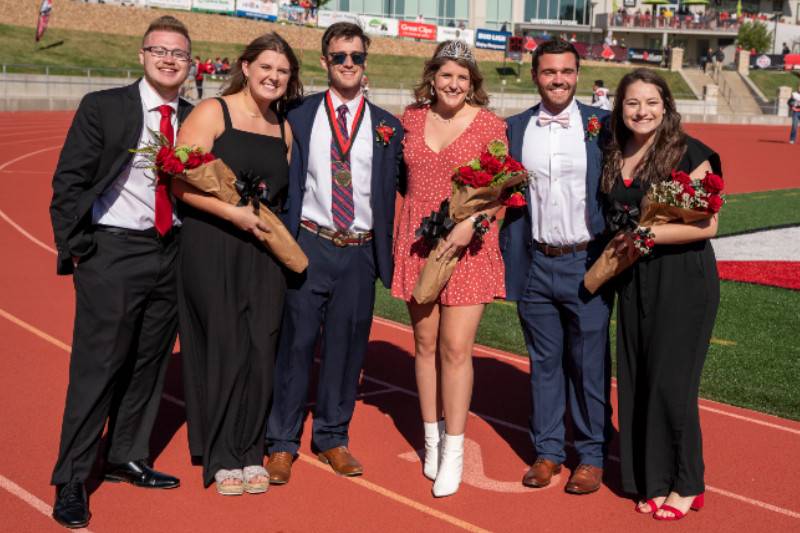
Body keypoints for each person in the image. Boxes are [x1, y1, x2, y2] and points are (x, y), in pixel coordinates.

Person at [49, 15, 192, 528]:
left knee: (149, 363)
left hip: (171, 252)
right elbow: (68, 182)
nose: (169, 59)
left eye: (179, 53)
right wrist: (81, 249)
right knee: (98, 367)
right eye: (160, 50)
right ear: (142, 55)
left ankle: (126, 455)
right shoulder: (104, 107)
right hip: (113, 252)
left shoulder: (195, 118)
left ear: (190, 62)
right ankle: (72, 477)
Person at [265, 22, 404, 485]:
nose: (348, 64)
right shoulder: (298, 115)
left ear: (366, 64)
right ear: (325, 61)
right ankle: (281, 442)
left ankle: (331, 437)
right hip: (309, 244)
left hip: (360, 252)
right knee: (296, 347)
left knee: (346, 351)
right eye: (340, 56)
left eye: (356, 57)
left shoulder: (389, 126)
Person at [171, 32, 301, 496]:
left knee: (259, 346)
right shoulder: (214, 111)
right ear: (245, 67)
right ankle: (222, 454)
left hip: (263, 249)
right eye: (266, 66)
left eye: (283, 71)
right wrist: (232, 213)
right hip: (214, 243)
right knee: (224, 343)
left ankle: (249, 450)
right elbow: (179, 182)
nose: (274, 76)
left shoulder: (283, 128)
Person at [601, 68, 721, 521]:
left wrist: (648, 237)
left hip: (683, 279)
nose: (642, 111)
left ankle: (687, 483)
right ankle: (651, 480)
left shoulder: (689, 152)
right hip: (633, 280)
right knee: (638, 380)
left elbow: (708, 224)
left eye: (651, 102)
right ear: (621, 108)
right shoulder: (616, 152)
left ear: (666, 107)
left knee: (673, 385)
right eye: (633, 103)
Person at [391, 40, 506, 498]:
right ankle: (431, 439)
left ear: (472, 83)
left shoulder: (490, 125)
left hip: (469, 247)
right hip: (419, 242)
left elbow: (503, 191)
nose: (454, 84)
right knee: (423, 343)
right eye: (446, 75)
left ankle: (454, 450)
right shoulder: (411, 119)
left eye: (463, 77)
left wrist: (470, 225)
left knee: (456, 349)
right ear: (432, 78)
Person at [500, 39, 612, 495]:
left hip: (587, 262)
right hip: (535, 263)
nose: (559, 80)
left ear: (578, 74)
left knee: (588, 365)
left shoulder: (602, 126)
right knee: (544, 364)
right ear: (535, 75)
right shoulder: (515, 128)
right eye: (549, 72)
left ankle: (590, 455)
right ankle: (547, 452)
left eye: (566, 71)